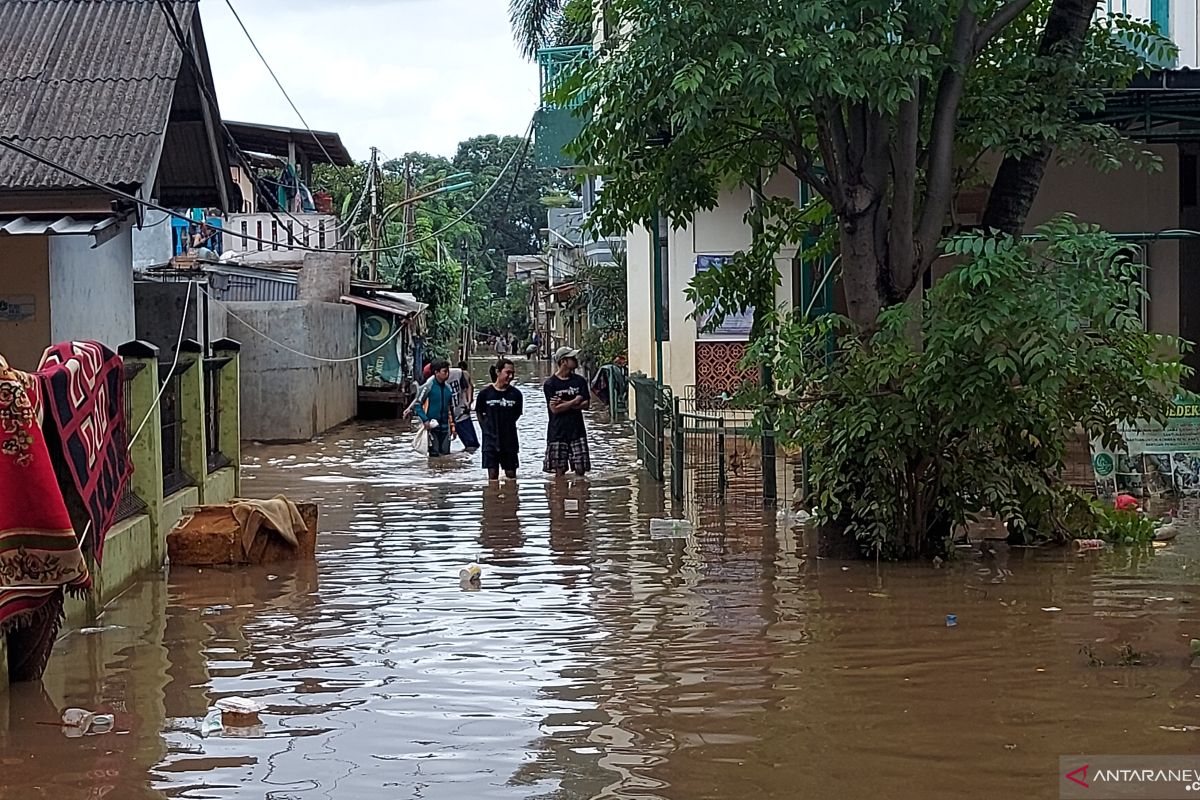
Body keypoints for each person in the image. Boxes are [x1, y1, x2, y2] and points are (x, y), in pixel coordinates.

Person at [543, 346, 591, 477]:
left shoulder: (580, 381)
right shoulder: (550, 384)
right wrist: (574, 401)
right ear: (563, 361)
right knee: (559, 471)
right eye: (572, 358)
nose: (576, 360)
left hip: (577, 431)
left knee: (581, 470)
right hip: (557, 432)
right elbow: (554, 409)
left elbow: (586, 404)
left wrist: (564, 404)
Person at [477, 357, 523, 480]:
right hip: (490, 442)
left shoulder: (516, 394)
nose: (511, 376)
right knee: (492, 478)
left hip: (510, 441)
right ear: (498, 372)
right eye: (507, 372)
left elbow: (517, 414)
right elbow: (479, 413)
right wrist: (486, 428)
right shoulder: (484, 394)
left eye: (512, 373)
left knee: (511, 477)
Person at [414, 360, 453, 457]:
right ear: (436, 372)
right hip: (432, 427)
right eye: (444, 371)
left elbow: (451, 409)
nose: (447, 374)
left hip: (445, 428)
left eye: (448, 371)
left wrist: (453, 426)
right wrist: (425, 420)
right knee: (434, 456)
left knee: (445, 456)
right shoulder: (428, 387)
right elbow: (418, 404)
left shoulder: (448, 389)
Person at [448, 360, 479, 453]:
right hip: (452, 417)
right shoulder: (432, 383)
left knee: (472, 445)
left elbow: (469, 386)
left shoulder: (460, 374)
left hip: (460, 413)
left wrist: (468, 402)